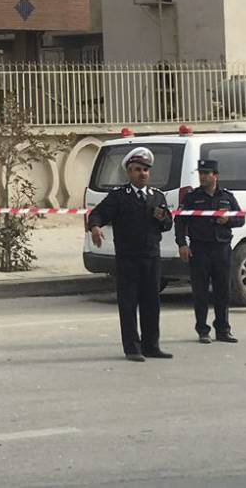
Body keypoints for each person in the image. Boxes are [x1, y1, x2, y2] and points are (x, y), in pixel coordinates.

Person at [88, 147, 176, 362]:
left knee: (151, 302)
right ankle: (132, 348)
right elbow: (98, 213)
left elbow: (167, 224)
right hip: (128, 258)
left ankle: (151, 345)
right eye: (137, 169)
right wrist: (95, 228)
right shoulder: (119, 196)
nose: (142, 173)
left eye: (146, 169)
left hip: (151, 257)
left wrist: (161, 217)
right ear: (129, 172)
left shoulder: (157, 196)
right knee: (128, 304)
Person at [175, 158, 244, 344]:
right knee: (201, 292)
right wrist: (182, 244)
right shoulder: (191, 197)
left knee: (223, 291)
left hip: (221, 248)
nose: (203, 177)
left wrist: (227, 220)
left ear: (215, 176)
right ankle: (202, 330)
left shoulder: (226, 197)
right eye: (201, 173)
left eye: (206, 173)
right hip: (200, 249)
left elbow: (240, 219)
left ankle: (223, 329)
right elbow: (180, 221)